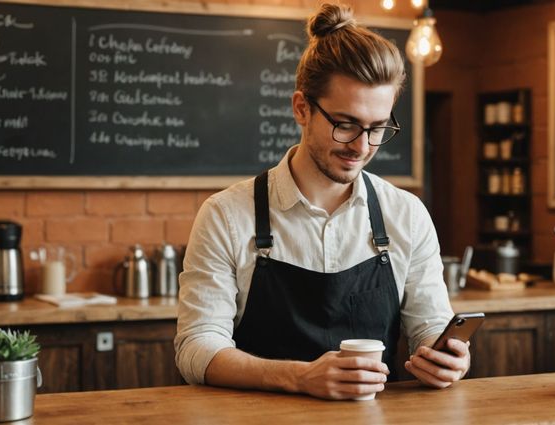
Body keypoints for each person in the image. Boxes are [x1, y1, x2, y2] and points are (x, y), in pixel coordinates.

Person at [174, 3, 469, 400]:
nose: (362, 146)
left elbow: (430, 326)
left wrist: (448, 357)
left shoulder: (407, 215)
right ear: (302, 108)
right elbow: (196, 349)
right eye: (345, 125)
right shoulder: (227, 215)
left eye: (377, 128)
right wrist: (299, 377)